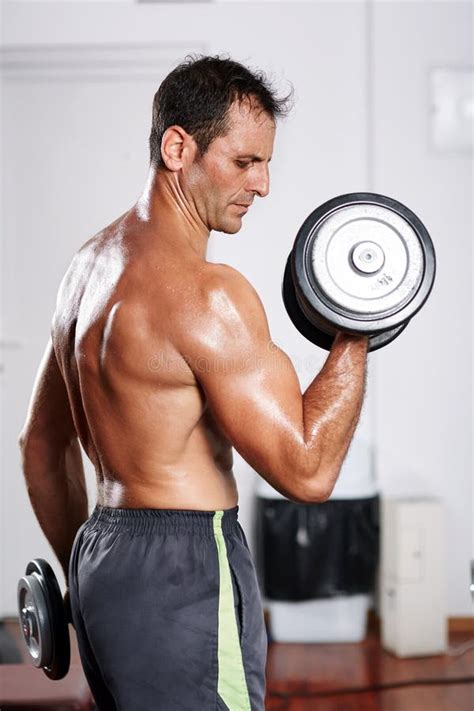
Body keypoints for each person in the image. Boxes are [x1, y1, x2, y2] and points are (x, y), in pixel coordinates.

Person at [18, 55, 368, 711]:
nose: (263, 184)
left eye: (266, 163)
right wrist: (361, 325)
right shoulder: (211, 297)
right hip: (185, 567)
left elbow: (39, 449)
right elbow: (309, 471)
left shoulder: (86, 270)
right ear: (178, 146)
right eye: (245, 162)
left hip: (101, 555)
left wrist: (83, 572)